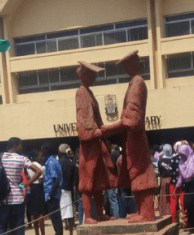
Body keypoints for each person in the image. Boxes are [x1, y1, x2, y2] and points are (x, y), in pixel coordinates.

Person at [101, 51, 157, 223]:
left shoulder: (137, 83)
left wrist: (108, 129)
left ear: (137, 64)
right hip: (132, 137)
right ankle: (141, 210)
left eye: (129, 64)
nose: (127, 69)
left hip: (136, 136)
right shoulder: (134, 82)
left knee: (140, 171)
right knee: (135, 171)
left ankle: (146, 213)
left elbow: (132, 119)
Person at [74, 61, 118, 224]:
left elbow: (96, 118)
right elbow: (83, 118)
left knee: (99, 180)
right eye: (91, 75)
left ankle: (100, 213)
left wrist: (103, 129)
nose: (94, 78)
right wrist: (95, 132)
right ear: (83, 75)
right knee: (87, 181)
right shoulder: (81, 93)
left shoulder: (89, 93)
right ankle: (89, 216)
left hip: (97, 142)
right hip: (89, 144)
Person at [0, 138, 42, 235]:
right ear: (16, 146)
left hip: (4, 198)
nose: (21, 148)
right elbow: (39, 171)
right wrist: (27, 183)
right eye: (20, 146)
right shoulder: (22, 159)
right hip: (19, 198)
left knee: (2, 228)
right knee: (19, 226)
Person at [42, 143, 64, 235]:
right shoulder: (52, 161)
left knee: (55, 218)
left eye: (43, 150)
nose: (41, 153)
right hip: (53, 193)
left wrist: (50, 195)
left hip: (53, 194)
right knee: (55, 217)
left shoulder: (51, 162)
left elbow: (55, 180)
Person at [58, 144, 76, 235]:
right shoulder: (71, 163)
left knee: (60, 213)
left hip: (59, 189)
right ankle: (71, 234)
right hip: (69, 189)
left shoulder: (58, 162)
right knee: (70, 213)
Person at [157, 144, 175, 217]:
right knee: (172, 198)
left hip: (164, 181)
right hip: (173, 181)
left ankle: (165, 214)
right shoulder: (173, 160)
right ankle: (173, 215)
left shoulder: (160, 161)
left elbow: (160, 171)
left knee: (164, 199)